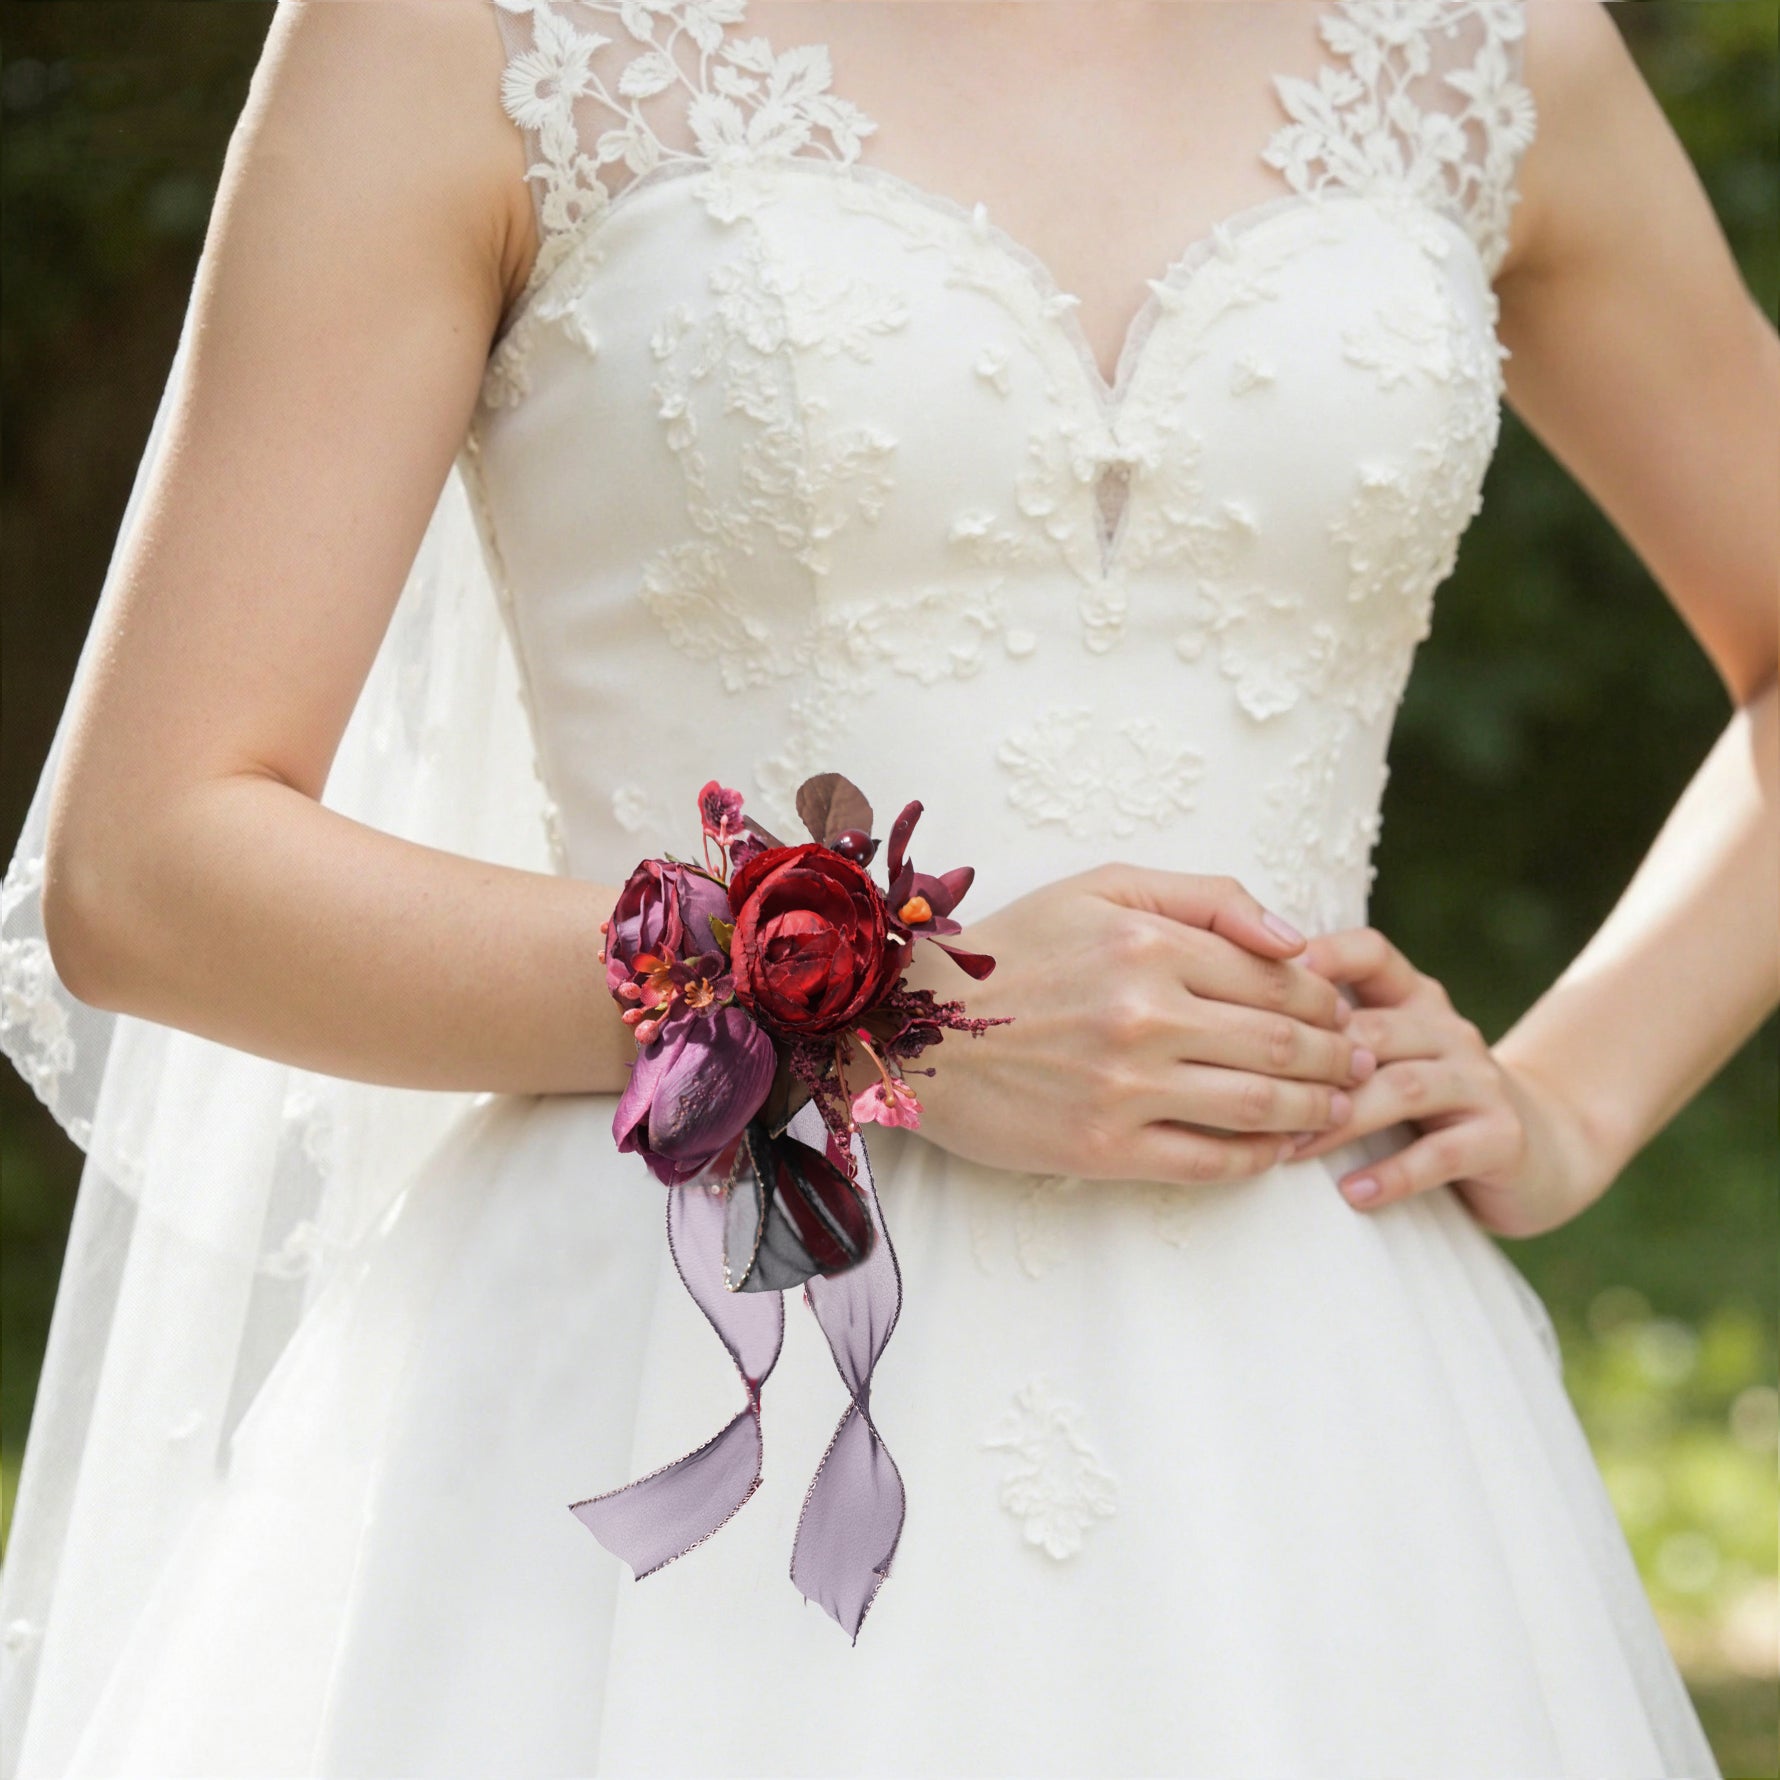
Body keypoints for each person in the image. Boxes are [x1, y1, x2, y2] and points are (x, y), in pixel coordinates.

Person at [1, 0, 1772, 1773]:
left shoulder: (1488, 49)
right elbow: (150, 866)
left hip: (1323, 1408)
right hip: (682, 1347)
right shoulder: (461, 32)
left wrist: (1573, 1098)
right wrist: (870, 1010)